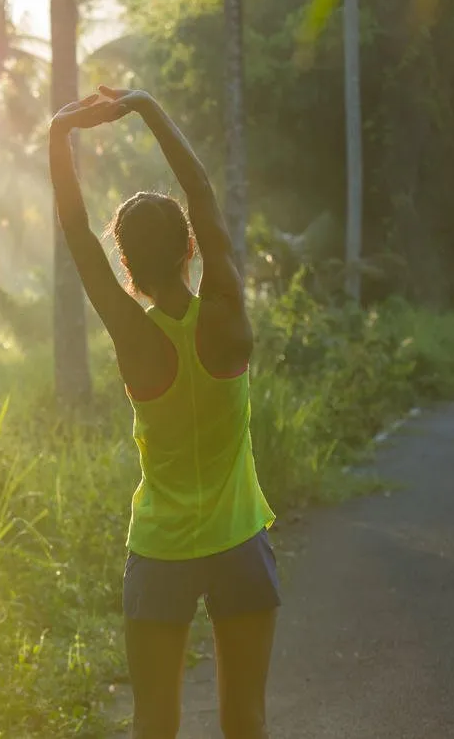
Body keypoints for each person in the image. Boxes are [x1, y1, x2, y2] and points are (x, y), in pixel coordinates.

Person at [47, 86, 279, 739]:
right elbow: (202, 193)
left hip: (161, 552)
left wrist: (58, 135)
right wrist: (145, 106)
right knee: (247, 720)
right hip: (239, 542)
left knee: (153, 724)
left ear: (127, 266)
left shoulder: (134, 335)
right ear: (190, 249)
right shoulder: (228, 314)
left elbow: (75, 231)